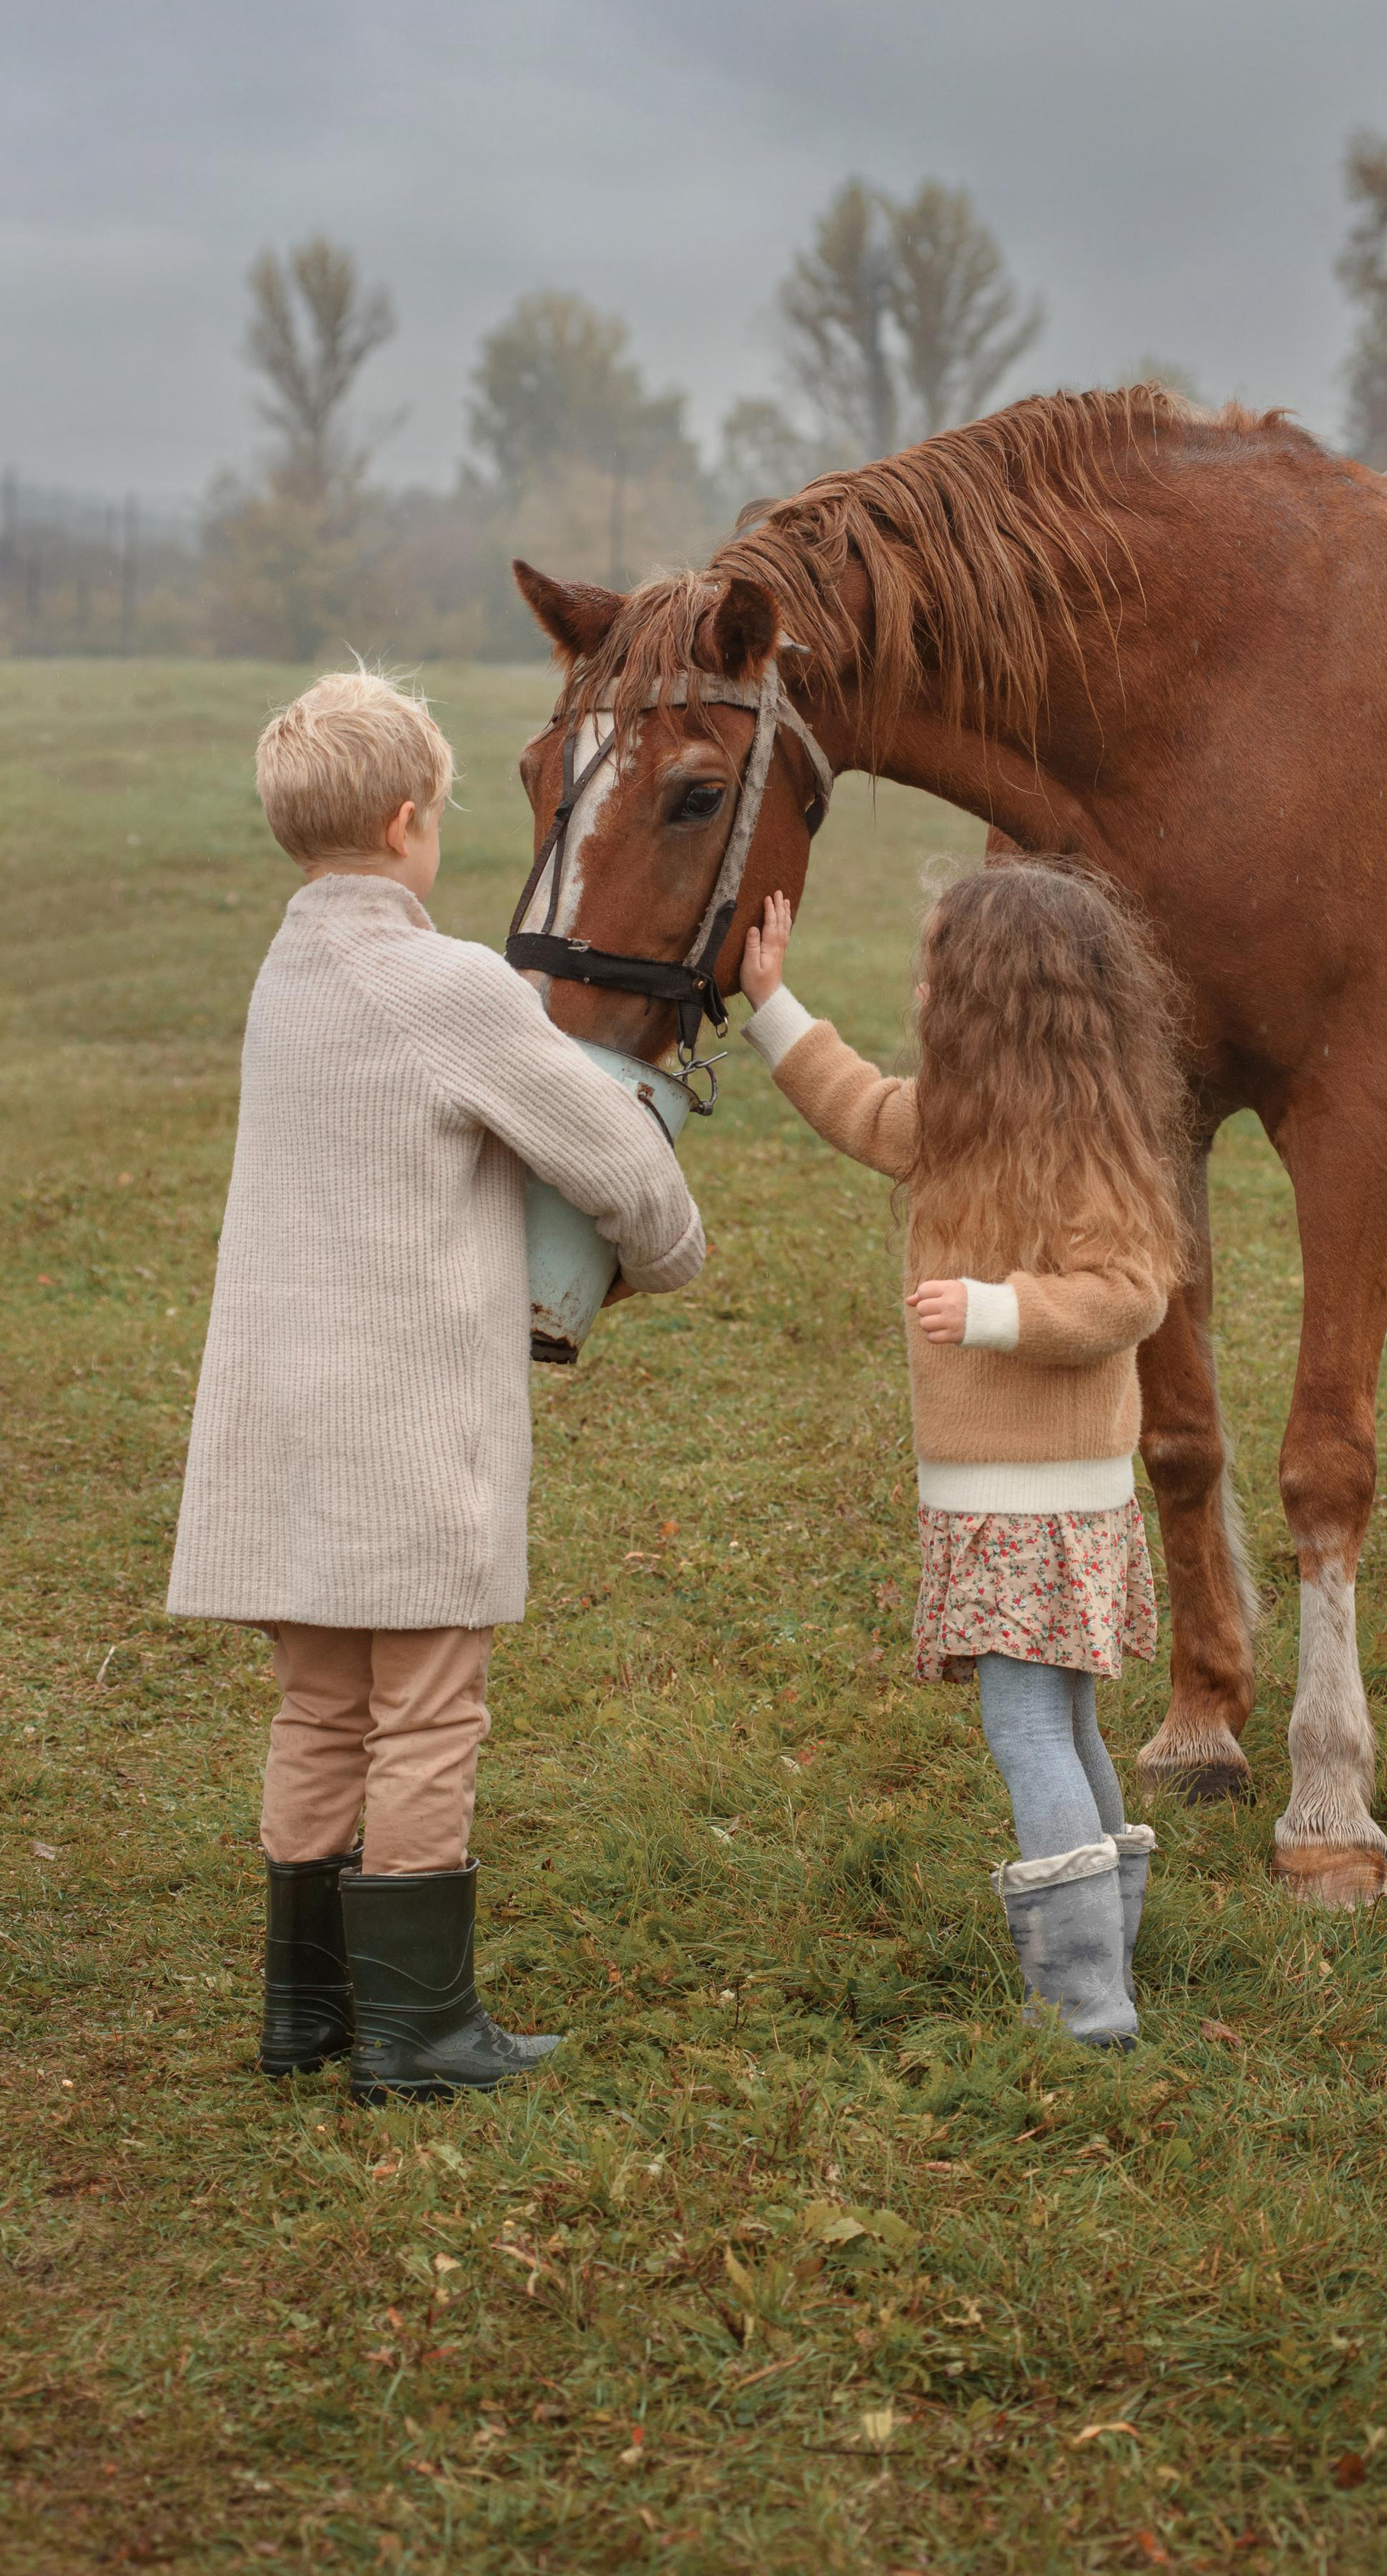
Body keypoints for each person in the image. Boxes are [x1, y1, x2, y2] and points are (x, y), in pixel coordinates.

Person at [167, 669, 704, 2102]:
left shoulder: (284, 977)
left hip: (283, 1427)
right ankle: (417, 2031)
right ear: (411, 823)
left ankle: (307, 2012)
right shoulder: (451, 985)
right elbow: (611, 1155)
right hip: (405, 1432)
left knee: (319, 1710)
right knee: (427, 1714)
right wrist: (668, 1251)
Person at [739, 860, 1185, 2048]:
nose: (921, 989)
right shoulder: (958, 1128)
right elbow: (856, 1105)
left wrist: (996, 1311)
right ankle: (1109, 1960)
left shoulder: (1088, 1151)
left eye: (937, 971)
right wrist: (771, 1002)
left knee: (1029, 1730)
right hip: (1014, 1500)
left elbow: (1129, 1294)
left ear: (992, 1001)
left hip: (1035, 1501)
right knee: (1070, 1725)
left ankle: (1086, 2005)